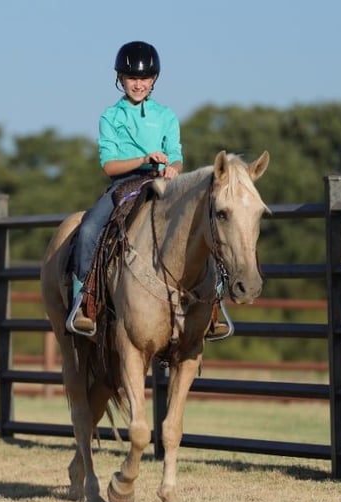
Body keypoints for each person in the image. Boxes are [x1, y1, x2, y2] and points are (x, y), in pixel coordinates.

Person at [66, 41, 229, 339]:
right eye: (131, 78)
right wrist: (143, 159)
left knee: (206, 219)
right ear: (120, 79)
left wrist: (174, 169)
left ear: (154, 79)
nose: (137, 84)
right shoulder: (110, 117)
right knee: (89, 229)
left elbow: (176, 153)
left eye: (144, 78)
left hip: (164, 182)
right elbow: (109, 166)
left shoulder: (166, 115)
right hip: (125, 184)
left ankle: (214, 303)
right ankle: (83, 301)